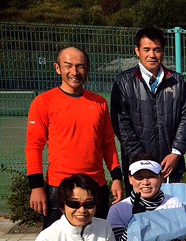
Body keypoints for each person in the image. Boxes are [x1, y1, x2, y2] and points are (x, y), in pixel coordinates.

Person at [26, 46, 123, 229]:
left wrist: (117, 178)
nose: (74, 72)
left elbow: (108, 144)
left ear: (88, 69)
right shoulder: (43, 102)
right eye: (68, 66)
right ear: (58, 68)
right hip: (59, 188)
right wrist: (36, 187)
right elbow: (34, 146)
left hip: (96, 186)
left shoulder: (99, 103)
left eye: (80, 66)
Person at [111, 26, 186, 192]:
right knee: (140, 208)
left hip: (170, 166)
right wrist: (143, 161)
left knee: (172, 207)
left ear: (163, 51)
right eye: (146, 49)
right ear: (137, 51)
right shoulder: (123, 82)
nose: (152, 55)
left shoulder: (177, 81)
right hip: (137, 167)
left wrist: (176, 152)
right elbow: (121, 124)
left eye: (157, 50)